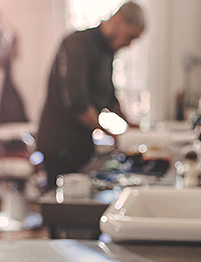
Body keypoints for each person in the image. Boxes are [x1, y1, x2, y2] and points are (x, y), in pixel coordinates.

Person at [36, 2, 145, 187]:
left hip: (82, 143)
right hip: (60, 143)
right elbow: (77, 103)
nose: (129, 44)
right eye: (130, 36)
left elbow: (109, 96)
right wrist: (112, 135)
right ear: (118, 21)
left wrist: (129, 124)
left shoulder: (108, 50)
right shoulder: (77, 44)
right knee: (61, 204)